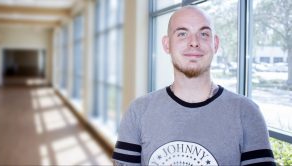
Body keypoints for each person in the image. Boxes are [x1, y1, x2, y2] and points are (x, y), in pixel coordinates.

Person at [112, 5, 275, 166]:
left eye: (204, 34)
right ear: (167, 44)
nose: (194, 42)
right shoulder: (138, 111)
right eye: (182, 34)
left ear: (215, 44)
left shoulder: (246, 112)